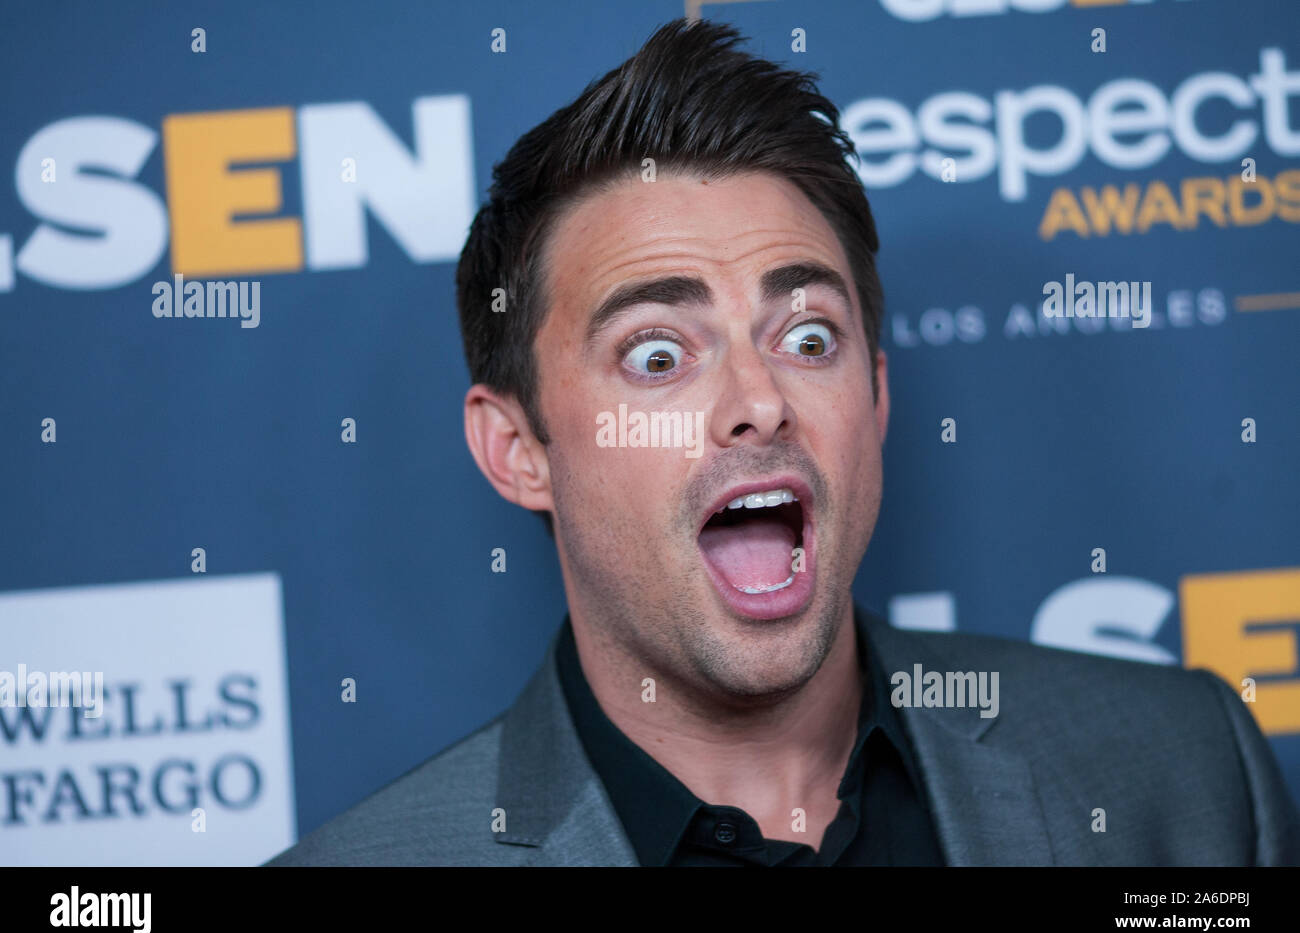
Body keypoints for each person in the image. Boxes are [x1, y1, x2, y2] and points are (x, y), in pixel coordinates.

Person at [268, 17, 1299, 866]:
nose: (758, 400)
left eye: (808, 336)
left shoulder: (1180, 776)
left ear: (878, 395)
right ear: (517, 449)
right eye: (657, 354)